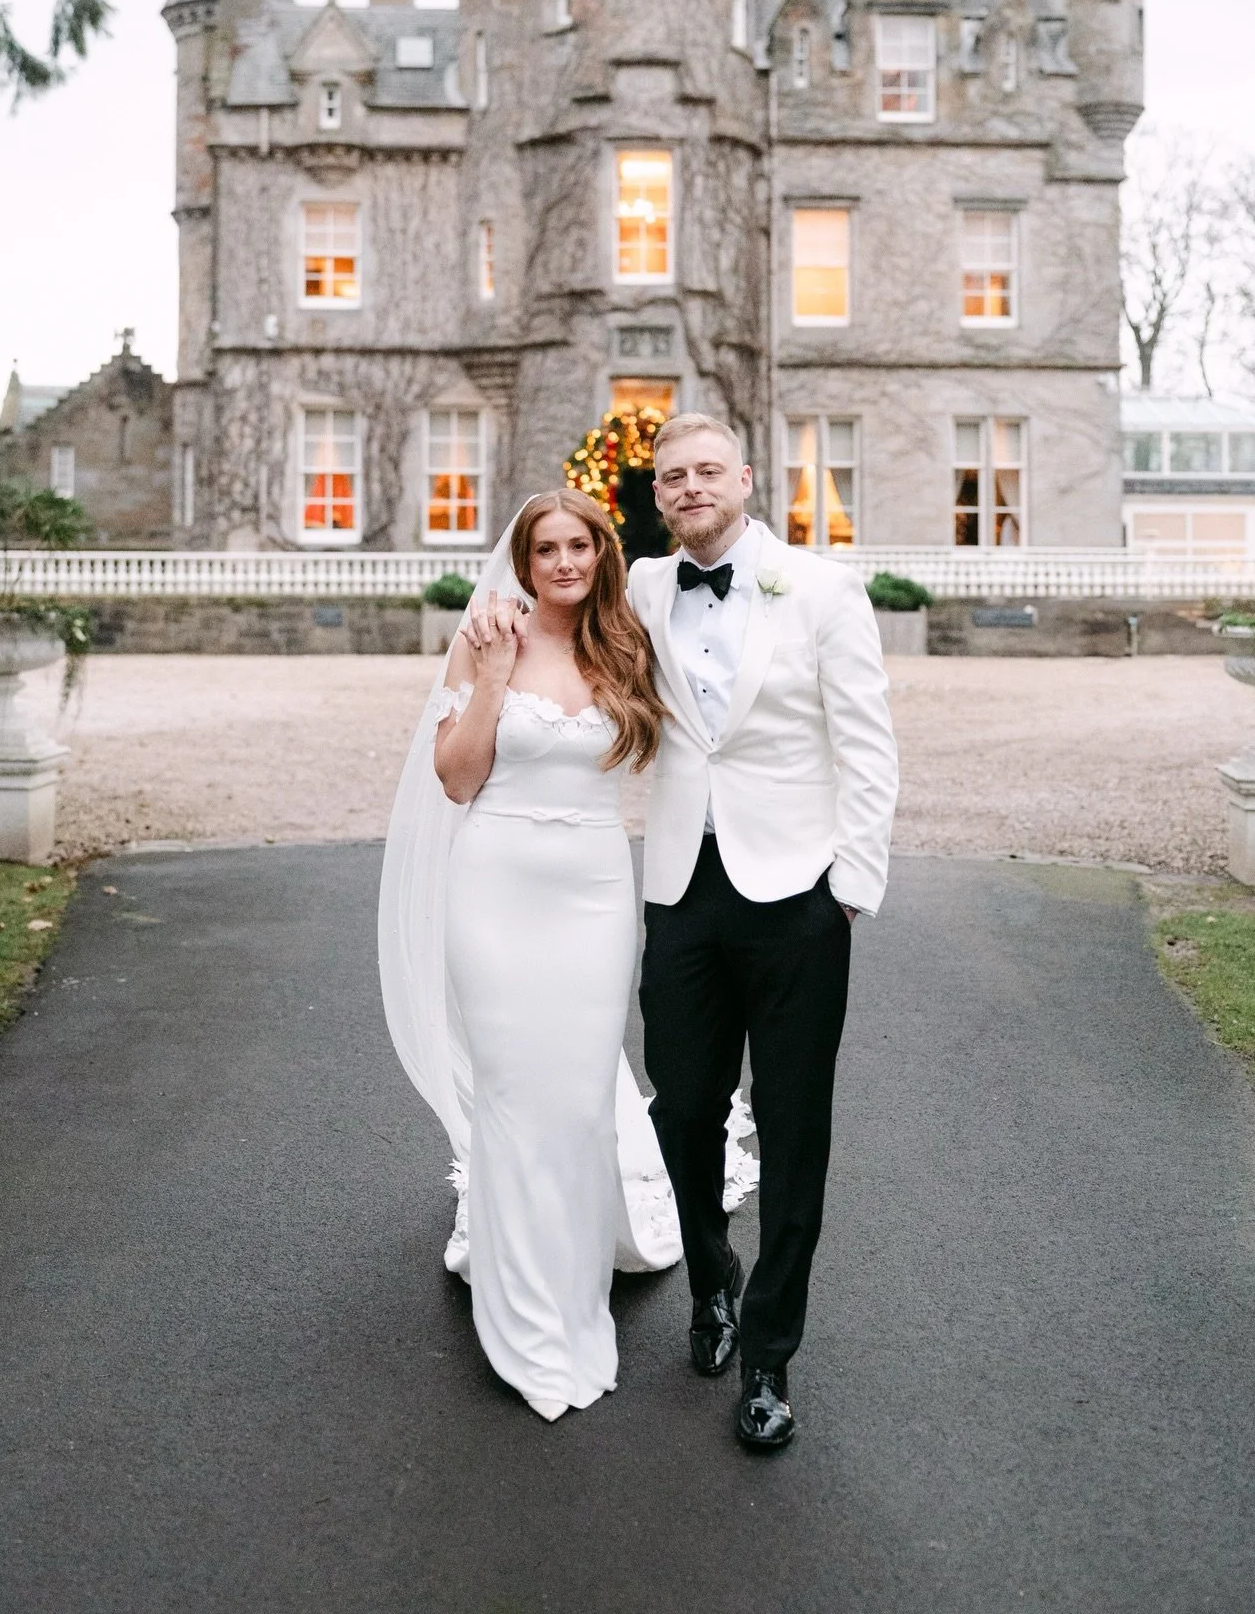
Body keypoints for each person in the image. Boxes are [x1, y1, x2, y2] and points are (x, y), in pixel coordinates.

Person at [378, 489, 756, 1424]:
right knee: (511, 1086)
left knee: (582, 1089)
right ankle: (526, 1307)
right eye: (543, 548)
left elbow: (713, 734)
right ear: (523, 557)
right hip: (495, 883)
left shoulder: (631, 641)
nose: (560, 563)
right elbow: (457, 777)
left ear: (600, 553)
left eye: (577, 545)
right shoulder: (484, 635)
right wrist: (498, 671)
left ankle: (578, 1282)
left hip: (593, 891)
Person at [627, 413, 899, 1450]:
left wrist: (848, 889)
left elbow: (868, 747)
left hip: (796, 897)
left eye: (708, 470)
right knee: (683, 1109)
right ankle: (712, 1283)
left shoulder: (822, 590)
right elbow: (559, 610)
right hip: (680, 890)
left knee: (793, 1130)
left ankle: (770, 1356)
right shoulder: (647, 587)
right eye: (672, 476)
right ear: (658, 496)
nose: (691, 486)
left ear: (745, 478)